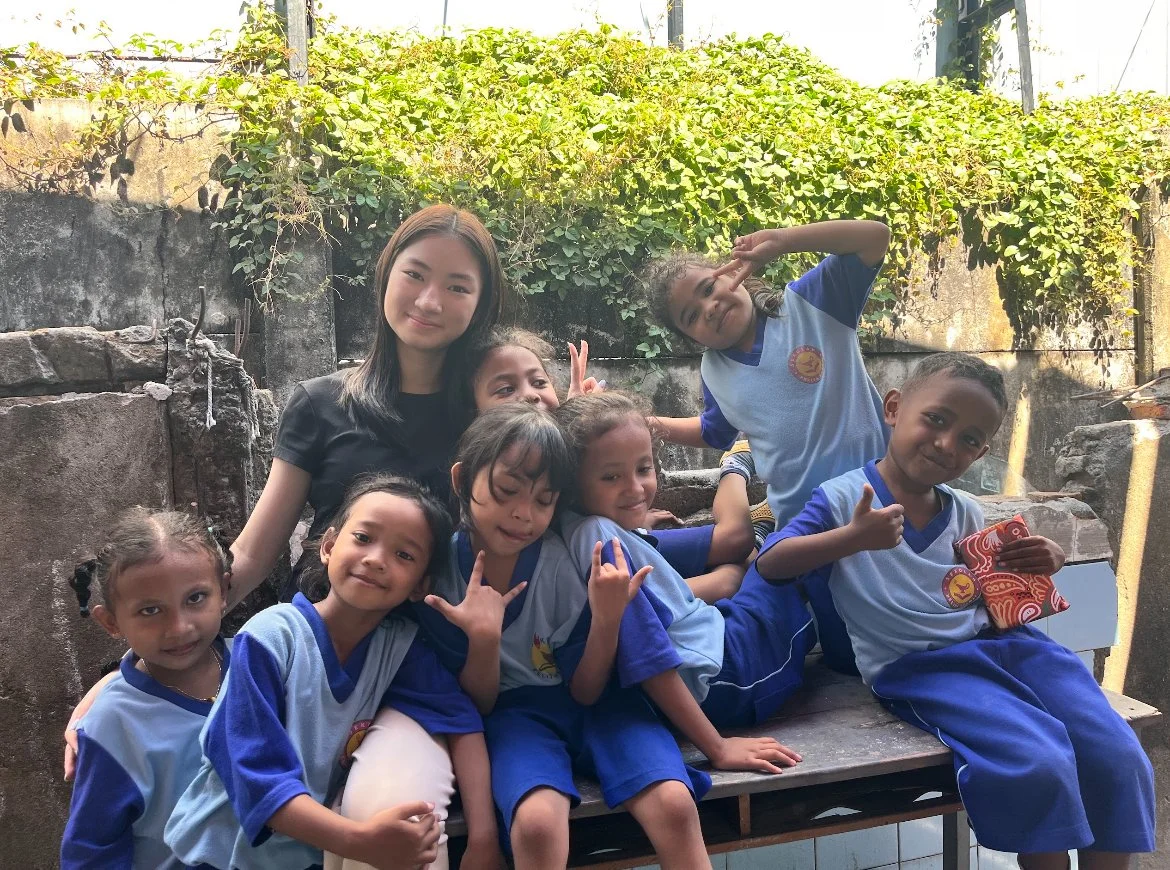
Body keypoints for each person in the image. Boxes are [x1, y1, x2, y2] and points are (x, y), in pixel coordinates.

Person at [756, 352, 1156, 870]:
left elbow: (992, 595)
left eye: (969, 439)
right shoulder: (840, 500)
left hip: (1010, 649)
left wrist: (1045, 561)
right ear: (894, 408)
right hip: (922, 667)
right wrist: (851, 538)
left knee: (1117, 753)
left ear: (982, 452)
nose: (947, 445)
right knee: (1039, 761)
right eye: (937, 420)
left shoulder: (965, 509)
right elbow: (770, 563)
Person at [414, 404, 712, 869]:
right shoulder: (442, 580)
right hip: (516, 719)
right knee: (535, 825)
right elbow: (481, 707)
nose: (522, 515)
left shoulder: (559, 563)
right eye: (507, 491)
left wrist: (607, 620)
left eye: (543, 500)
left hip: (605, 707)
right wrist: (485, 641)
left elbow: (586, 689)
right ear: (460, 480)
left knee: (674, 805)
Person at [164, 476, 495, 870]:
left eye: (404, 555)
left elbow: (462, 721)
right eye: (363, 537)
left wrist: (485, 839)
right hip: (220, 856)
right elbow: (258, 780)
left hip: (302, 857)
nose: (375, 558)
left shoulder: (398, 648)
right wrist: (361, 841)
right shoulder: (271, 638)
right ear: (328, 546)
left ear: (419, 585)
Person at [641, 219, 892, 671]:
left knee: (900, 631)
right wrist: (651, 425)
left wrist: (784, 242)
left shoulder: (813, 305)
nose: (709, 308)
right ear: (689, 337)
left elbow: (874, 237)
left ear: (734, 270)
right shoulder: (715, 372)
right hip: (806, 527)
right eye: (690, 317)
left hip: (877, 498)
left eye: (707, 288)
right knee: (845, 657)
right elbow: (716, 431)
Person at [230, 203, 505, 607]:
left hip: (441, 652)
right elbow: (253, 553)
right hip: (324, 641)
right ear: (386, 276)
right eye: (415, 274)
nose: (430, 302)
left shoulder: (491, 418)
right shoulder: (318, 403)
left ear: (480, 304)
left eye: (457, 287)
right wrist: (164, 643)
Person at [556, 392, 812, 757]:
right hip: (731, 674)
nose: (635, 488)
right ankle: (759, 521)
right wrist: (717, 748)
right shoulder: (599, 542)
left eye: (643, 469)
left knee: (761, 560)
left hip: (714, 645)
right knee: (785, 558)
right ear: (572, 483)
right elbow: (646, 653)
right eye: (611, 477)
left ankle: (759, 529)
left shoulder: (585, 527)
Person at [473, 328, 752, 601]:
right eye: (506, 389)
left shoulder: (564, 443)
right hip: (606, 578)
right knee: (733, 569)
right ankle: (737, 471)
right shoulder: (482, 481)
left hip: (620, 546)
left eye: (539, 382)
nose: (530, 395)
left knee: (737, 551)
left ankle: (737, 473)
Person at [60, 508, 232, 869]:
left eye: (196, 598)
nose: (179, 627)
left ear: (224, 593)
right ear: (111, 622)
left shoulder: (263, 664)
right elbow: (93, 850)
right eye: (151, 610)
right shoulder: (112, 725)